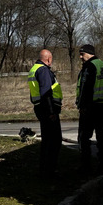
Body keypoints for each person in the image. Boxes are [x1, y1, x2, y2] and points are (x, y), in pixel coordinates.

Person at [75, 44, 103, 175]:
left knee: (84, 137)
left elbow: (86, 88)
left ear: (89, 53)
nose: (80, 57)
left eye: (82, 54)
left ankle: (86, 166)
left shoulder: (89, 67)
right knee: (102, 135)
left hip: (91, 107)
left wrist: (82, 106)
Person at [28, 49, 63, 179]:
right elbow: (46, 92)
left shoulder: (34, 68)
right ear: (48, 59)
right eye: (51, 59)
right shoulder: (43, 70)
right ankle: (50, 171)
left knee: (47, 141)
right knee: (54, 141)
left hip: (39, 108)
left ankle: (44, 169)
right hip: (48, 110)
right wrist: (51, 111)